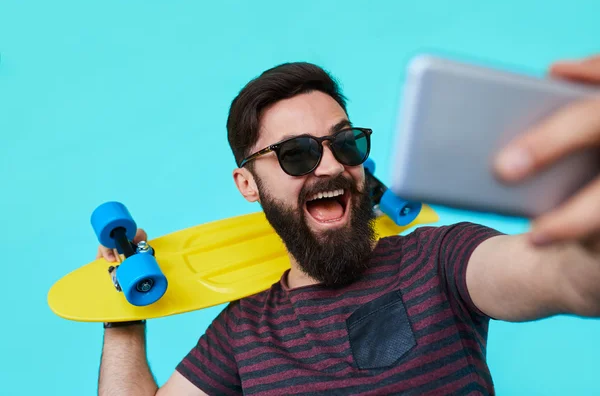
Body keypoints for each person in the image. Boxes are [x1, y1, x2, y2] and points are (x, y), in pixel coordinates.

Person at [96, 55, 600, 395]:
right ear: (247, 185)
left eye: (346, 143)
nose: (332, 166)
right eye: (297, 153)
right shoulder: (243, 331)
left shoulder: (439, 259)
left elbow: (565, 279)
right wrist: (121, 310)